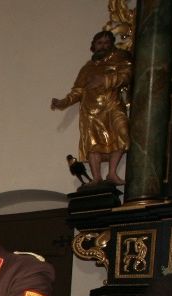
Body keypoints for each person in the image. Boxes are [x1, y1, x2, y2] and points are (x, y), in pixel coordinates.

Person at [51, 30, 132, 186]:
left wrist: (105, 79)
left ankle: (112, 173)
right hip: (90, 110)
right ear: (94, 46)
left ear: (112, 44)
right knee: (92, 143)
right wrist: (63, 103)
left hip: (112, 105)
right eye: (99, 43)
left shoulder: (120, 59)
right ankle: (96, 177)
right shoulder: (86, 68)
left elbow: (127, 75)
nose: (103, 46)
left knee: (122, 133)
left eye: (106, 43)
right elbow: (77, 91)